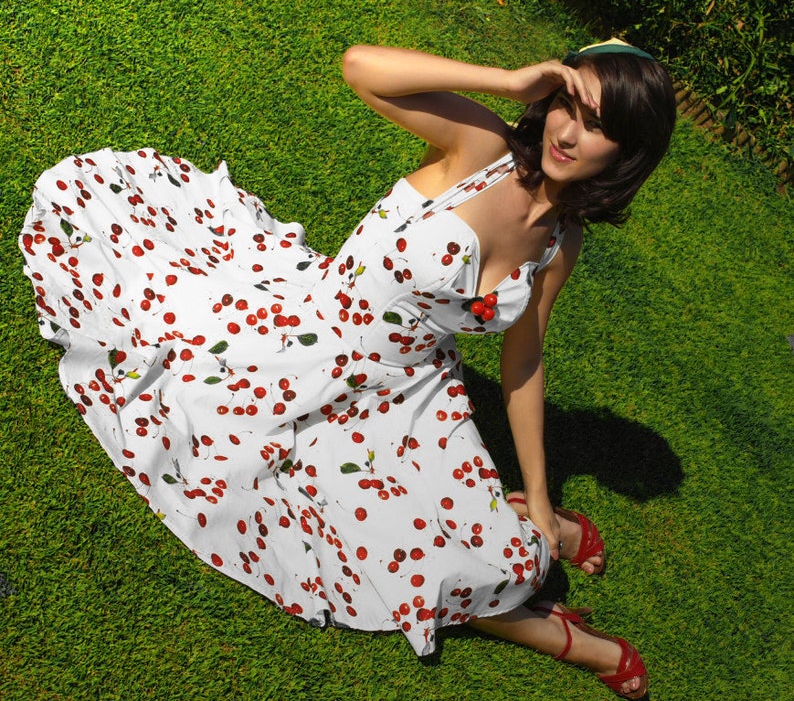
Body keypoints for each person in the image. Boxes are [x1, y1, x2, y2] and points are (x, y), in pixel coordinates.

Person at [20, 37, 676, 698]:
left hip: (412, 392)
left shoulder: (562, 240)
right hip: (306, 341)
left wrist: (538, 497)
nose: (568, 133)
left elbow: (524, 359)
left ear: (626, 154)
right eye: (567, 106)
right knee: (247, 449)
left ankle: (549, 528)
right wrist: (509, 81)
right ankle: (561, 638)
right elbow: (362, 68)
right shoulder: (483, 151)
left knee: (521, 560)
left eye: (597, 126)